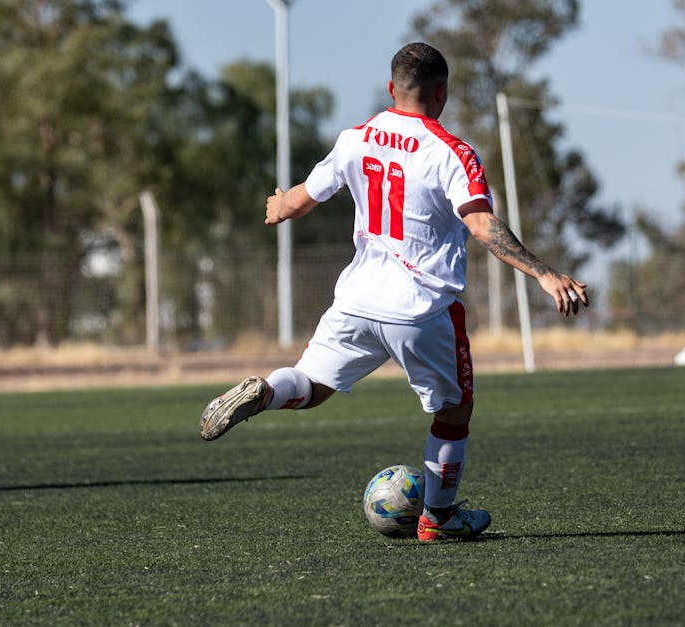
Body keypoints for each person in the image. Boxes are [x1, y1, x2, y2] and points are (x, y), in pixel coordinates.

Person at [199, 42, 588, 542]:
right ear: (442, 92)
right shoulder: (452, 151)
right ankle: (439, 518)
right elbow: (481, 223)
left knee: (311, 385)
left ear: (391, 88)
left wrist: (276, 207)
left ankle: (266, 393)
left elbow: (296, 202)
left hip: (357, 301)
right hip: (421, 309)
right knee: (453, 412)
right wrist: (543, 272)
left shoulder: (354, 139)